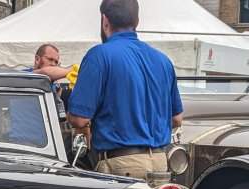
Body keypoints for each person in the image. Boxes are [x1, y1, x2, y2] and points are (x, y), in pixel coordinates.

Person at [66, 0, 183, 179]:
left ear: (105, 20)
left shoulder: (99, 55)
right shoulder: (163, 60)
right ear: (137, 21)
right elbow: (176, 118)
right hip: (161, 163)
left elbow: (79, 119)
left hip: (121, 165)